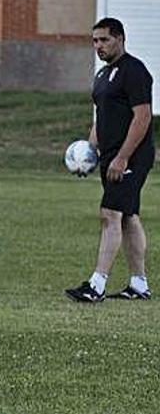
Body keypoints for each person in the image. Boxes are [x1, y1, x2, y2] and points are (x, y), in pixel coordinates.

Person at [65, 18, 155, 302]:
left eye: (104, 40)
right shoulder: (103, 76)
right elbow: (100, 118)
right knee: (128, 217)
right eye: (94, 41)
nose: (98, 46)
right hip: (111, 158)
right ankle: (139, 285)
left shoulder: (134, 71)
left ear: (120, 39)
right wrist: (89, 153)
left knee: (110, 214)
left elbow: (142, 117)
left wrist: (123, 157)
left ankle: (96, 285)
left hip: (131, 157)